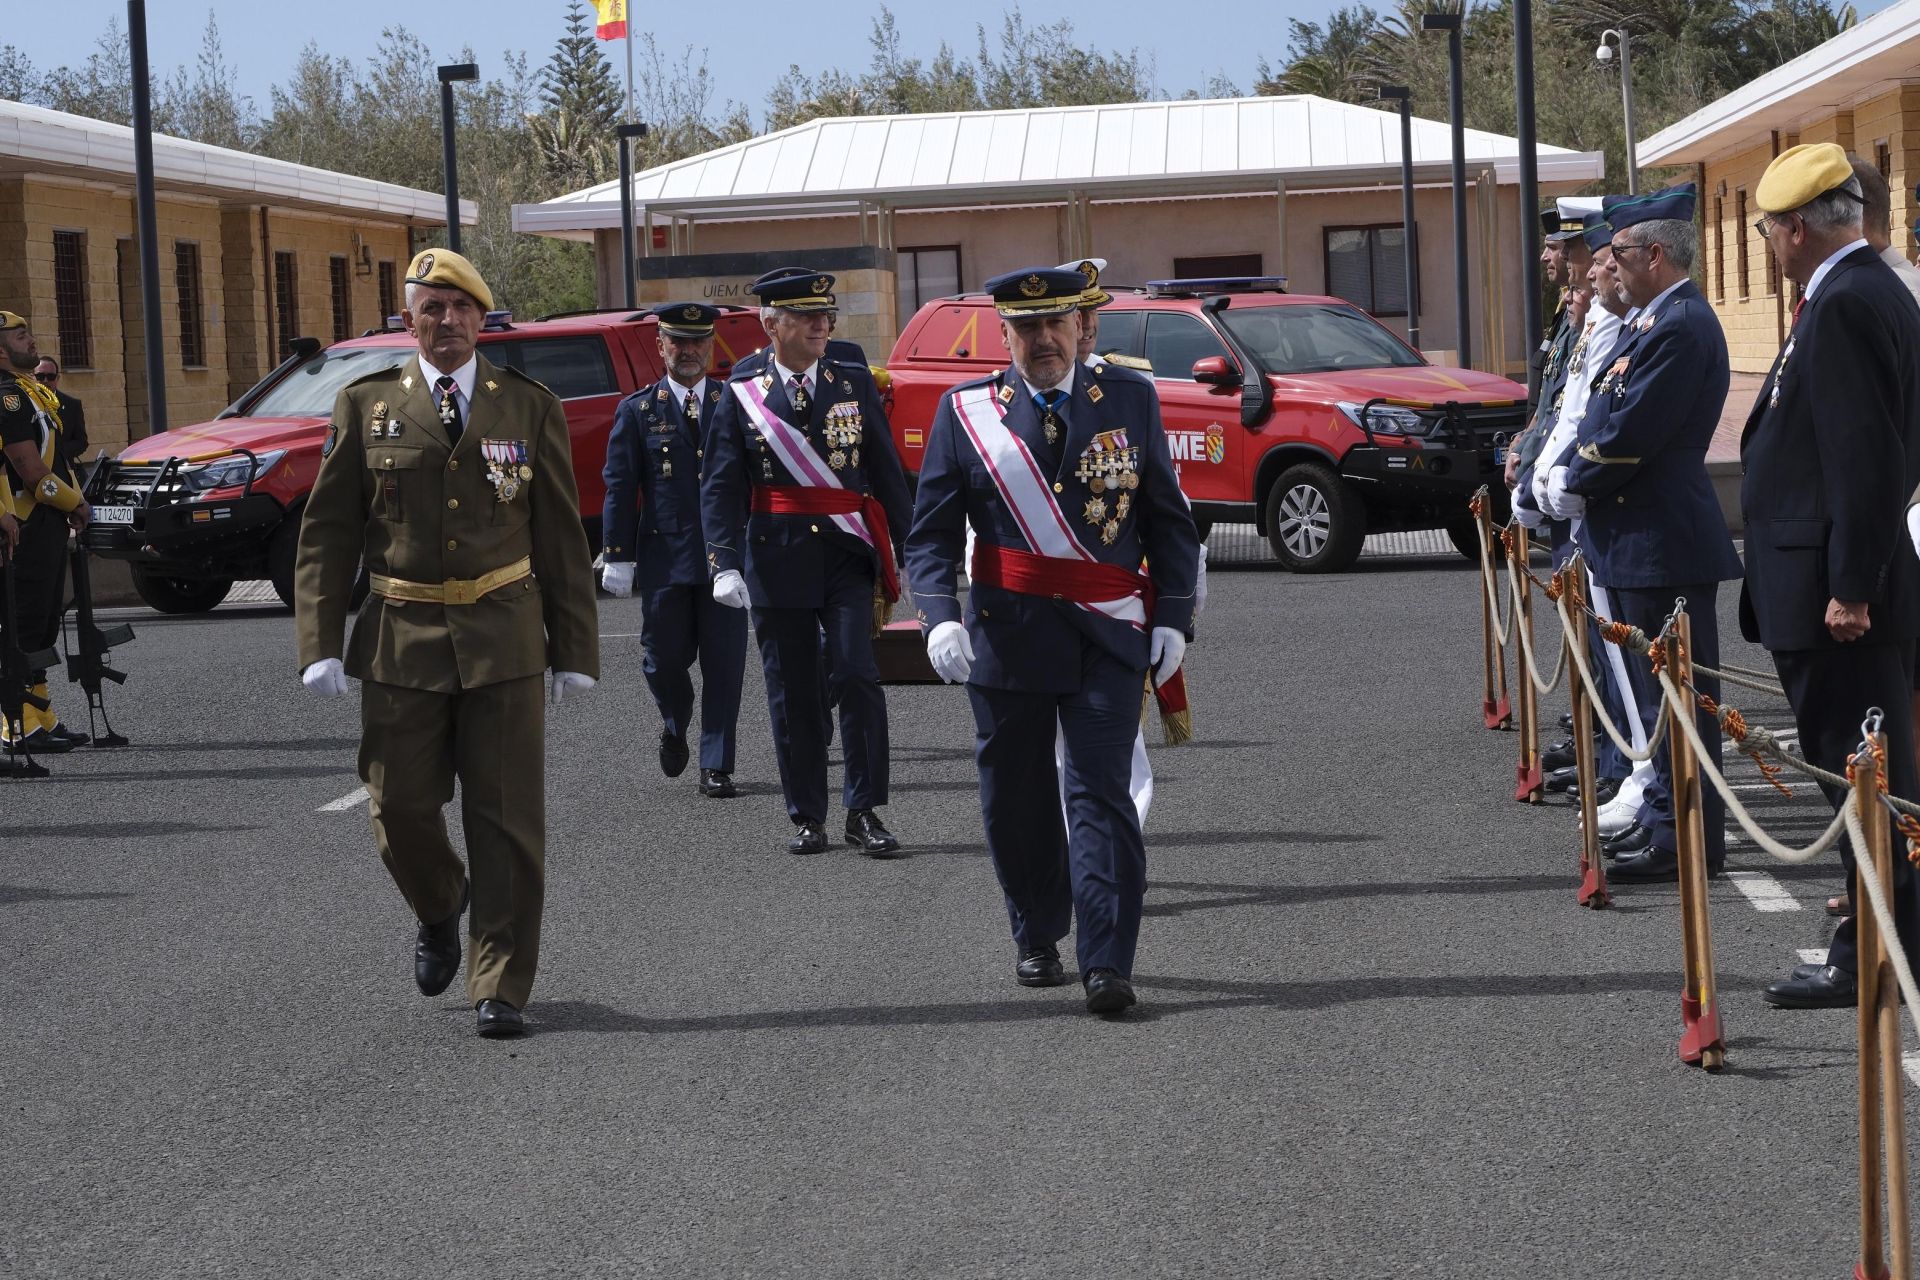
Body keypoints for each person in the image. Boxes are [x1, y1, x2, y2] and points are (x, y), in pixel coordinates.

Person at [294, 248, 600, 1039]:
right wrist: (318, 640)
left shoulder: (527, 406)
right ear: (409, 322)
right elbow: (327, 532)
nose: (449, 321)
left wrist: (575, 648)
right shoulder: (366, 407)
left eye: (462, 308)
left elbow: (560, 536)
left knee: (506, 821)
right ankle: (439, 904)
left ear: (482, 320)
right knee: (398, 808)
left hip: (504, 636)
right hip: (401, 637)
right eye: (432, 308)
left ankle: (499, 982)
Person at [904, 266, 1201, 1016]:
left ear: (1080, 327)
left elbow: (1166, 517)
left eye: (1054, 325)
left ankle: (1107, 960)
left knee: (1100, 794)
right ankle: (1037, 930)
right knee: (1018, 799)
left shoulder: (1129, 399)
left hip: (1107, 637)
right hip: (1007, 637)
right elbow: (931, 533)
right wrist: (938, 613)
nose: (1042, 340)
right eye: (1026, 329)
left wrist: (1173, 616)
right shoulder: (964, 412)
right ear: (1003, 337)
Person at [1734, 145, 1920, 1008]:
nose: (1769, 243)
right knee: (1866, 780)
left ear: (1797, 228)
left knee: (1864, 783)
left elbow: (1866, 462)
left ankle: (1875, 957)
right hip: (1837, 585)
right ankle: (1876, 942)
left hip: (1840, 598)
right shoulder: (1860, 290)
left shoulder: (1845, 303)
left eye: (1770, 229)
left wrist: (1851, 584)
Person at [1553, 183, 1743, 885]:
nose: (1611, 266)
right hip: (1636, 535)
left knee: (1677, 701)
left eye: (1622, 253)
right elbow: (1604, 410)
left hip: (1661, 536)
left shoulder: (1682, 325)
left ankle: (1688, 840)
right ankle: (1665, 819)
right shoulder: (1648, 323)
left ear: (1656, 255)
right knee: (1656, 695)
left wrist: (1577, 474)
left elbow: (1631, 434)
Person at [699, 267, 913, 856]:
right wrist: (723, 562)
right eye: (808, 316)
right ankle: (808, 814)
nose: (824, 325)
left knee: (856, 675)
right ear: (772, 324)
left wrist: (914, 543)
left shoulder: (852, 381)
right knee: (793, 691)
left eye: (827, 315)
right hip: (775, 556)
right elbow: (720, 483)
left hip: (846, 552)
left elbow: (885, 470)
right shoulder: (742, 390)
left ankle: (864, 809)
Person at [601, 302, 748, 799]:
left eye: (698, 342)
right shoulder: (638, 410)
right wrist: (617, 551)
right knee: (660, 660)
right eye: (678, 342)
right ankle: (675, 719)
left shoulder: (734, 403)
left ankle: (715, 763)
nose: (688, 352)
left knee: (725, 664)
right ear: (660, 346)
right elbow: (621, 485)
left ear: (711, 346)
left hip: (726, 558)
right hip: (666, 558)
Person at [0, 312, 90, 753]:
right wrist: (76, 503)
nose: (31, 340)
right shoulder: (8, 398)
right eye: (20, 336)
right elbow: (31, 470)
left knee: (43, 624)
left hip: (47, 521)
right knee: (21, 624)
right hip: (26, 521)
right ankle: (14, 722)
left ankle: (40, 714)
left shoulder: (30, 391)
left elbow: (56, 462)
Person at [31, 356, 87, 463]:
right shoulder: (25, 403)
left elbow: (81, 442)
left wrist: (56, 452)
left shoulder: (72, 405)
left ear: (57, 378)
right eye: (40, 376)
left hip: (61, 468)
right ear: (32, 377)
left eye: (50, 376)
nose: (45, 381)